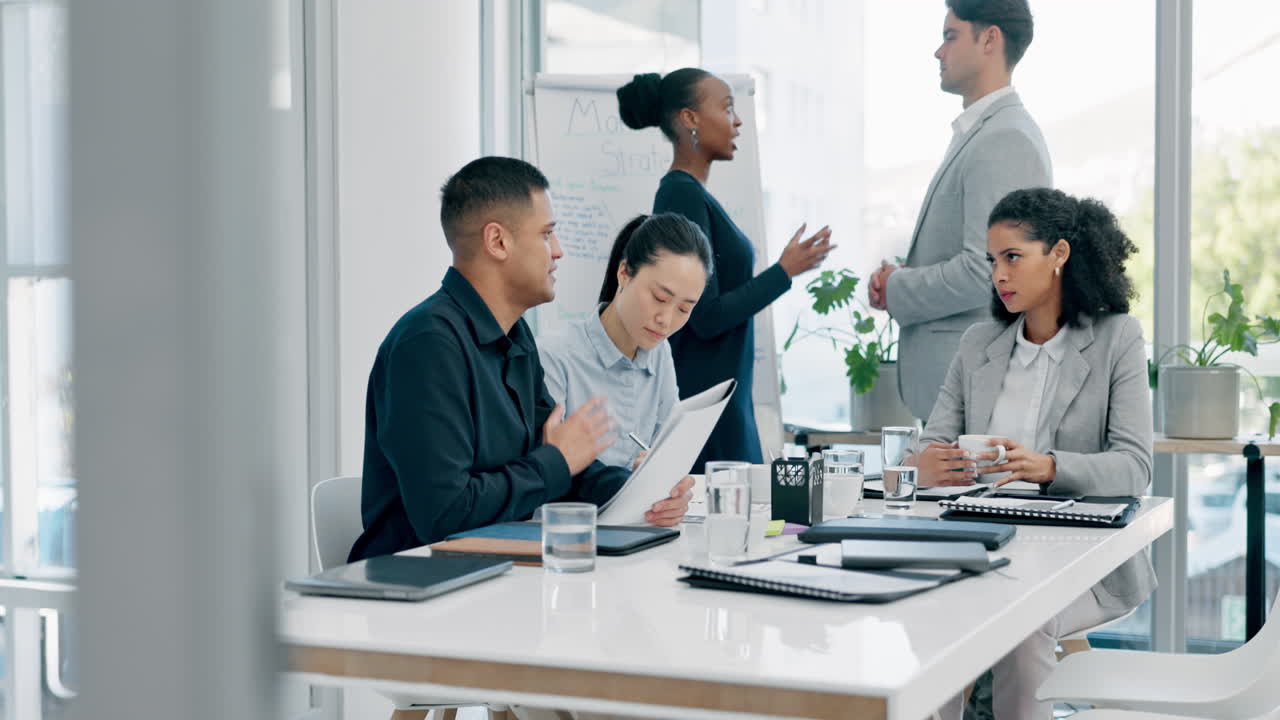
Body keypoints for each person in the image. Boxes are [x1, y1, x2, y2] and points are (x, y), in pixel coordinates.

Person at [348, 157, 692, 563]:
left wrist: (641, 490)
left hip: (492, 575)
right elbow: (444, 517)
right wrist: (555, 461)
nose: (559, 251)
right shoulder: (427, 346)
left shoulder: (515, 336)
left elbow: (566, 466)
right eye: (547, 235)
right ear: (498, 242)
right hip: (420, 590)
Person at [917, 188, 1156, 719]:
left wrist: (1050, 468)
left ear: (1059, 255)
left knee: (1021, 624)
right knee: (926, 611)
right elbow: (932, 443)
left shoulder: (1117, 338)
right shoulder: (978, 344)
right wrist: (928, 463)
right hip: (980, 546)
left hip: (1076, 562)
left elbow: (1135, 467)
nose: (999, 275)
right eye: (992, 260)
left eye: (1012, 257)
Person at [617, 68, 833, 473]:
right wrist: (783, 272)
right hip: (707, 406)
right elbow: (704, 316)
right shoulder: (679, 193)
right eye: (727, 107)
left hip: (723, 401)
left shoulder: (691, 193)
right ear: (690, 119)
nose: (737, 121)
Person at [868, 0, 1051, 422]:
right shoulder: (986, 133)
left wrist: (898, 287)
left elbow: (987, 271)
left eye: (950, 36)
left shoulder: (1005, 140)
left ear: (990, 39)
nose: (939, 52)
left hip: (975, 391)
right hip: (964, 391)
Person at [539, 212, 714, 471]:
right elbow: (549, 471)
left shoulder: (659, 353)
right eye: (660, 298)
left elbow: (669, 448)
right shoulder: (554, 356)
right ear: (624, 273)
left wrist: (664, 475)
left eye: (684, 309)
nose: (665, 320)